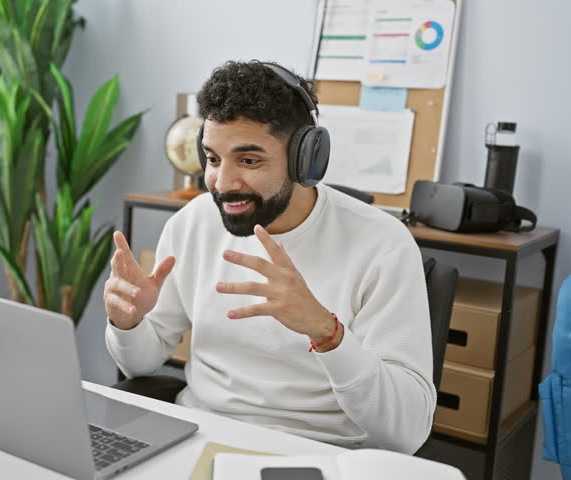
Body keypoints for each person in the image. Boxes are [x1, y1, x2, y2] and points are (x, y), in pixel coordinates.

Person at [104, 60, 434, 454]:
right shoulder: (192, 223)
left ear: (305, 160)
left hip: (319, 454)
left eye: (249, 160)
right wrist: (129, 323)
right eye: (212, 159)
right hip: (199, 440)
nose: (223, 184)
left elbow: (408, 432)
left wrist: (326, 333)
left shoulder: (382, 245)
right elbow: (141, 365)